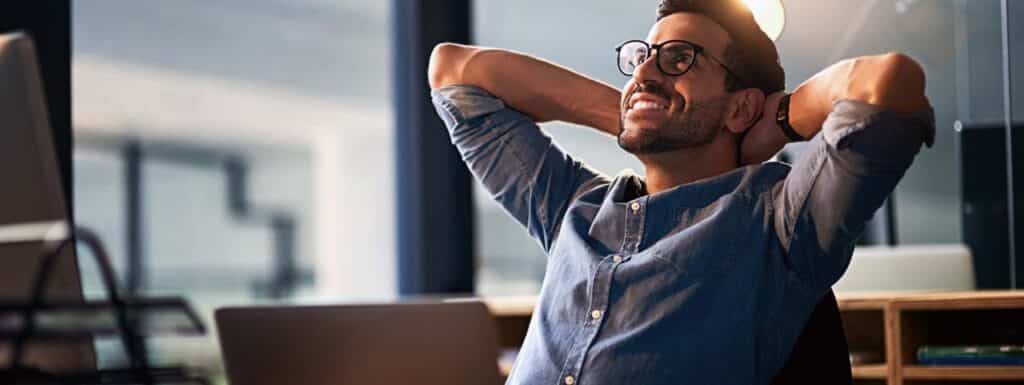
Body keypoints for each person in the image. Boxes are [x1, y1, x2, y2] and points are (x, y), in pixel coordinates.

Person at [427, 0, 933, 383]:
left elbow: (888, 84)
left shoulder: (778, 220)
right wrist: (638, 109)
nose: (644, 72)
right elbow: (454, 71)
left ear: (741, 107)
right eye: (643, 58)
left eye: (679, 58)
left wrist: (776, 121)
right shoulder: (573, 207)